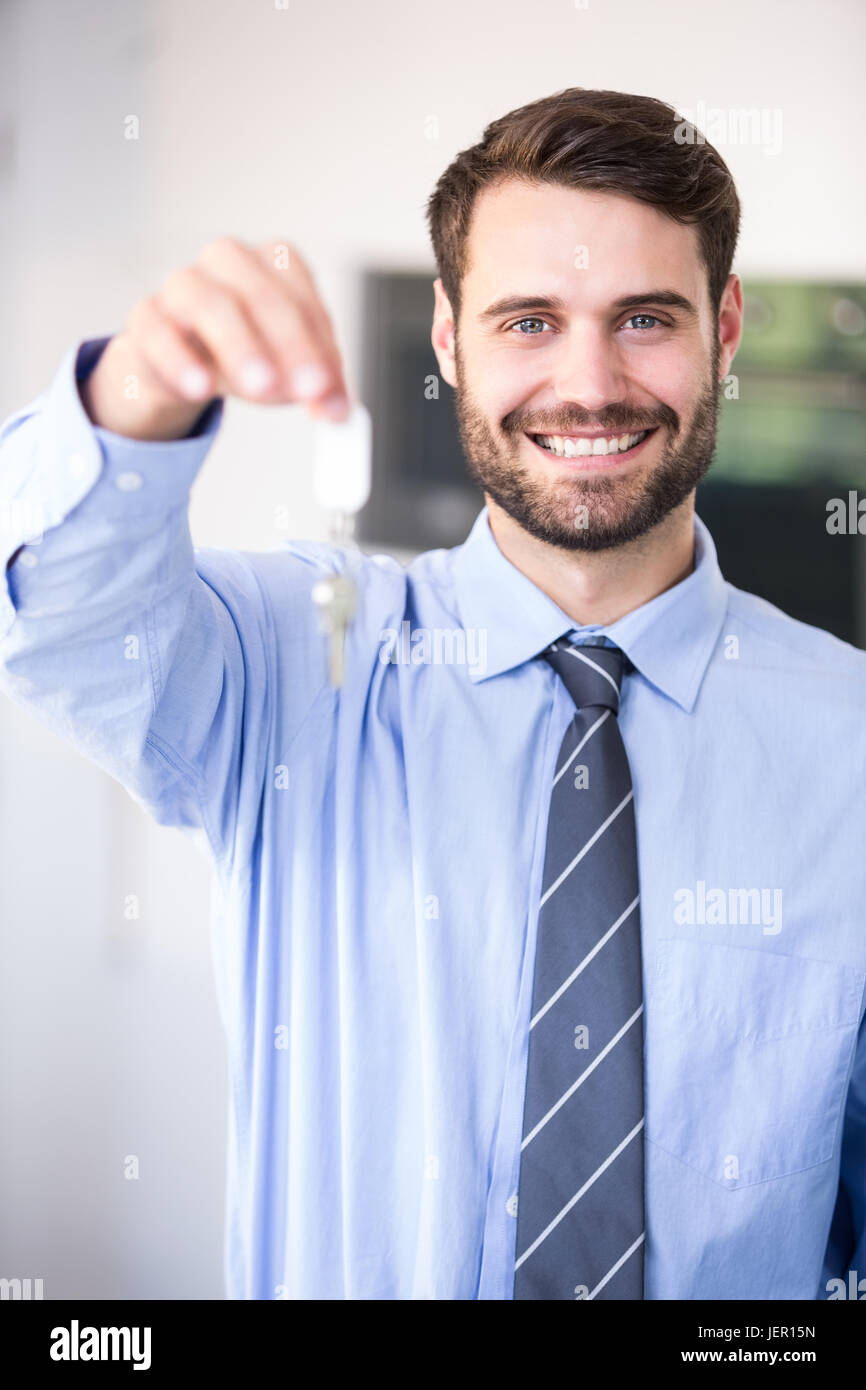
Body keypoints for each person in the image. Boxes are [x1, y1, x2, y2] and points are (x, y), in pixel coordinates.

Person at [1, 87, 864, 1301]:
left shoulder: (852, 744)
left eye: (643, 318)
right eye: (526, 321)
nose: (588, 383)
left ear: (723, 329)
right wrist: (139, 386)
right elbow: (62, 615)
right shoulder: (290, 664)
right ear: (449, 341)